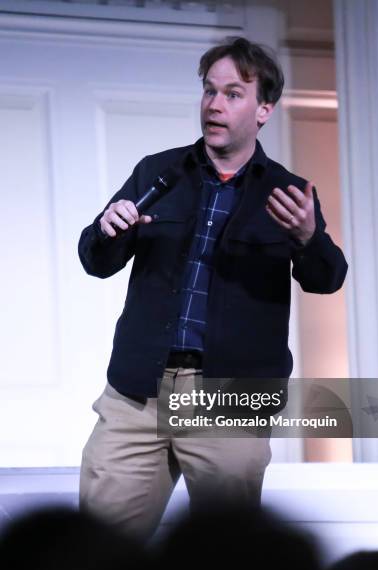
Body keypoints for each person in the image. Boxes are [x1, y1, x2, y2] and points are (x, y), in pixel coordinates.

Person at [78, 37, 347, 541]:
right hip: (138, 392)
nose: (214, 105)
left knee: (230, 562)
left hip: (230, 398)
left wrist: (310, 239)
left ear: (264, 109)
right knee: (94, 552)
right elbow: (97, 259)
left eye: (232, 93)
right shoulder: (157, 171)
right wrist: (105, 229)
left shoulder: (286, 191)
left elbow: (327, 277)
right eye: (208, 91)